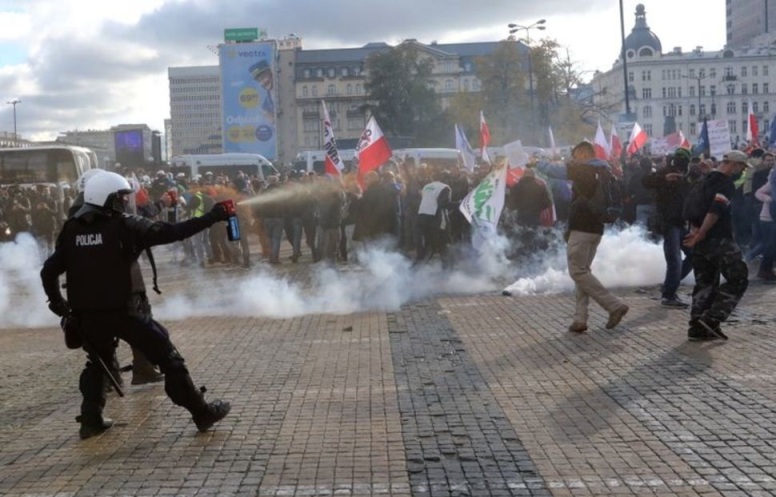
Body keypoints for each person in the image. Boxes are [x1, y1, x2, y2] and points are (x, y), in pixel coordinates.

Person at [40, 171, 231, 439]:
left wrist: (59, 305)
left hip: (88, 316)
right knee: (169, 358)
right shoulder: (124, 225)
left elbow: (48, 271)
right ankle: (202, 413)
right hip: (125, 313)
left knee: (97, 362)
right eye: (120, 198)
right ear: (106, 198)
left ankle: (91, 420)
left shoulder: (72, 229)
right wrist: (212, 217)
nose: (124, 202)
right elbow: (173, 232)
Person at [538, 142, 629, 333]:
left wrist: (535, 163)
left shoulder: (587, 168)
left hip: (582, 226)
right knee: (583, 272)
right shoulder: (606, 170)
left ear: (582, 153)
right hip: (596, 227)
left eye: (575, 155)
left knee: (577, 272)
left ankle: (613, 305)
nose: (573, 159)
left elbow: (556, 171)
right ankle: (580, 319)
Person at [682, 150, 751, 341]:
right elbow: (716, 210)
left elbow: (689, 210)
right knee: (738, 278)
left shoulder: (702, 181)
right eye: (742, 167)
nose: (742, 171)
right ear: (734, 164)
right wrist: (702, 232)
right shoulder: (725, 184)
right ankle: (712, 319)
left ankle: (697, 327)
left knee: (705, 283)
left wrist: (696, 232)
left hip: (700, 242)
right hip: (718, 239)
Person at [642, 148, 694, 308]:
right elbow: (646, 182)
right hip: (669, 222)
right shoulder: (665, 173)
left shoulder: (686, 177)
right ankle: (668, 295)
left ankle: (670, 284)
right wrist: (664, 178)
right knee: (675, 260)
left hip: (682, 223)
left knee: (694, 255)